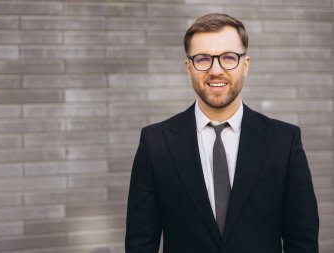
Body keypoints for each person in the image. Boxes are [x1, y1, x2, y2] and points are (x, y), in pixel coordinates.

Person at [125, 13, 319, 253]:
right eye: (203, 59)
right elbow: (140, 243)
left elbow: (302, 242)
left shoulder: (284, 142)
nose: (216, 70)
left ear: (245, 65)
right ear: (189, 67)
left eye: (228, 57)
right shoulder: (155, 143)